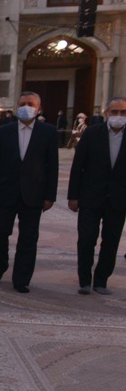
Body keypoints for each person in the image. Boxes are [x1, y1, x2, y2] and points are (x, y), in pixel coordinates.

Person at [0, 91, 59, 293]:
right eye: (23, 103)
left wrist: (49, 196)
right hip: (5, 191)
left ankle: (21, 278)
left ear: (38, 108)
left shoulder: (48, 132)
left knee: (28, 238)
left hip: (33, 194)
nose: (26, 107)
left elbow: (52, 166)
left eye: (31, 104)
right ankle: (0, 266)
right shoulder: (3, 132)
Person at [68, 97, 126, 295]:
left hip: (118, 199)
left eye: (123, 112)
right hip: (90, 196)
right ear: (106, 113)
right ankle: (84, 280)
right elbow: (78, 165)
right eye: (115, 112)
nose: (119, 116)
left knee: (111, 241)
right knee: (86, 239)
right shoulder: (92, 133)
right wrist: (73, 196)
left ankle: (101, 280)